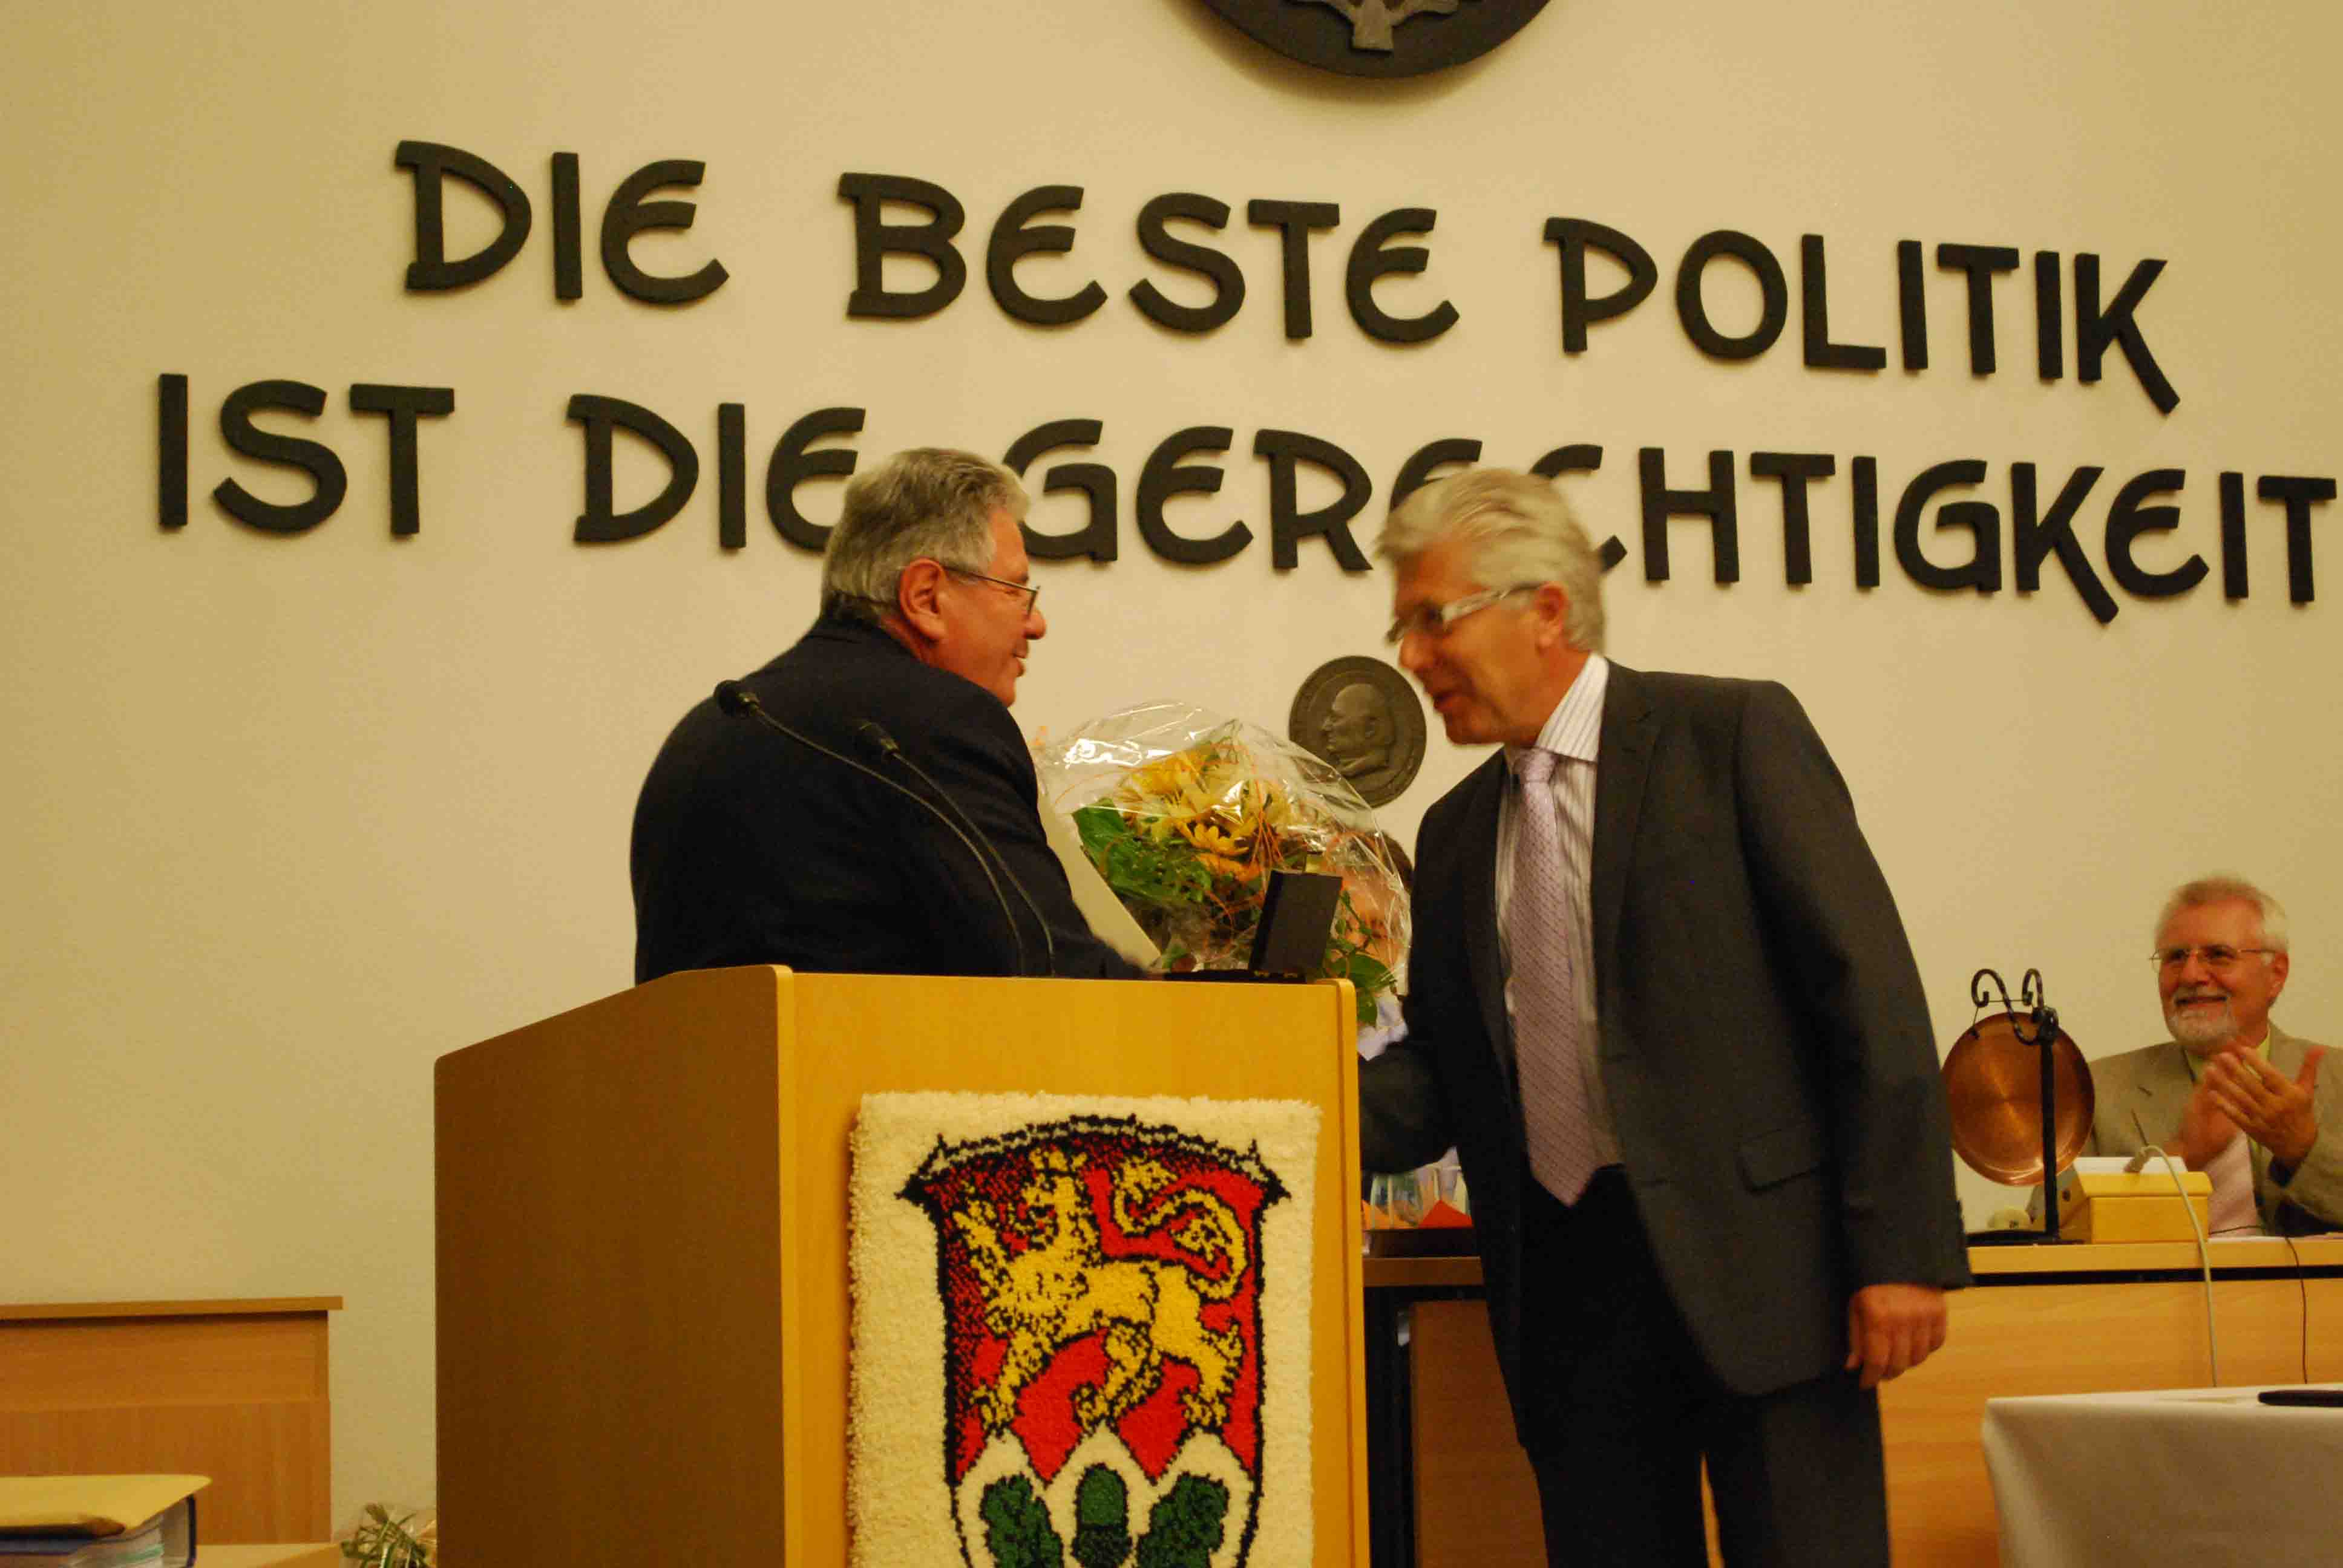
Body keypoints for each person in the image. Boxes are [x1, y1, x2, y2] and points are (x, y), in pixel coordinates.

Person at [1355, 469, 1968, 1566]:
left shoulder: (1730, 736)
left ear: (1546, 609)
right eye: (1402, 625)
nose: (1410, 656)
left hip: (1772, 1283)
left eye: (1431, 619)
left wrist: (1903, 1250)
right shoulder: (1451, 834)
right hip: (1570, 1299)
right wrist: (1276, 1087)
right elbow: (1443, 1077)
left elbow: (1866, 992)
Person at [631, 447, 1146, 984]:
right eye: (1018, 590)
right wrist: (1188, 1001)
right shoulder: (936, 721)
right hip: (875, 1044)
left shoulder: (702, 732)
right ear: (925, 598)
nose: (1036, 624)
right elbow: (1045, 967)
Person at [2085, 875, 2339, 1233]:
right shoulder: (2094, 1092)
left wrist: (2303, 1151)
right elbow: (2052, 1237)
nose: (2190, 975)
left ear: (2276, 975)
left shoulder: (2337, 1077)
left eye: (2219, 955)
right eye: (2175, 957)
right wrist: (2183, 1155)